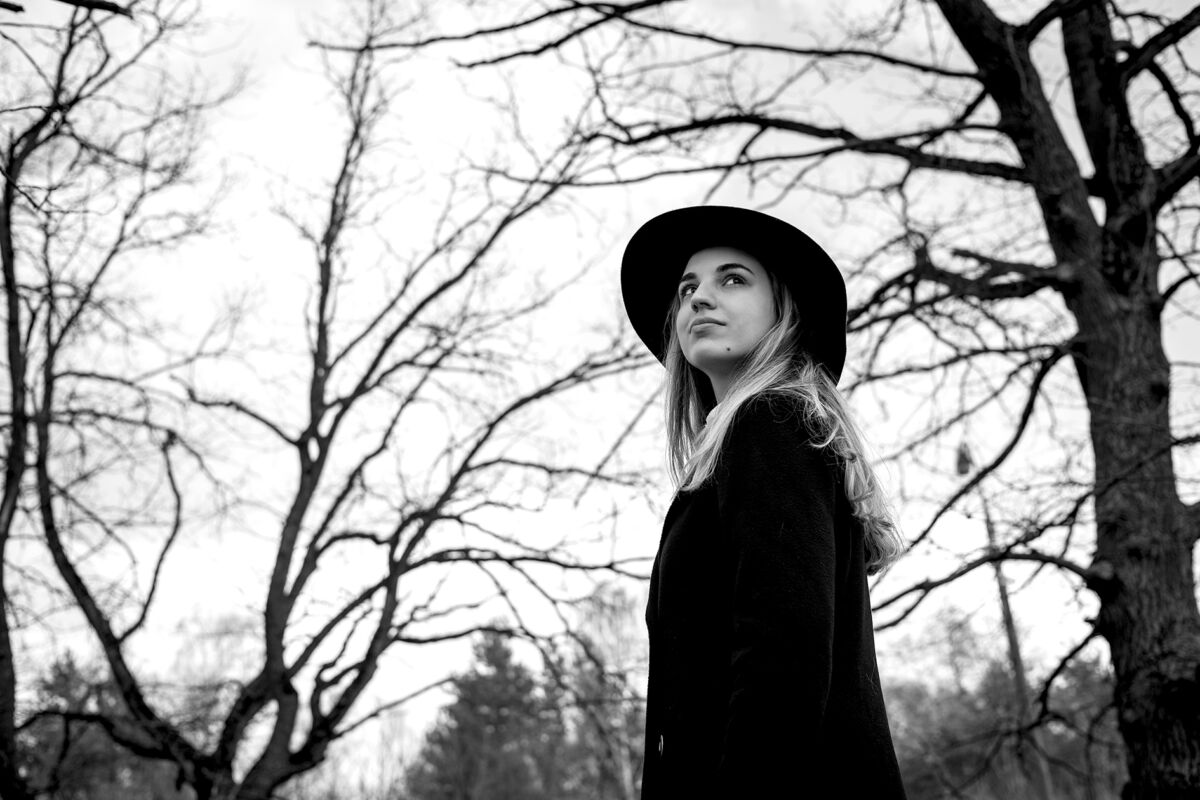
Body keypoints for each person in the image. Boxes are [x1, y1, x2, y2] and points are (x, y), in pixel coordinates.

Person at [620, 206, 908, 799]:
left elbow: (783, 665)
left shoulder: (770, 424)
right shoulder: (746, 445)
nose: (699, 298)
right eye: (687, 289)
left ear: (786, 311)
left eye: (733, 279)